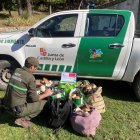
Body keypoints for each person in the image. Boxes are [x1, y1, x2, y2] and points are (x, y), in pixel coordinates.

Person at [3, 57, 53, 128]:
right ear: (32, 67)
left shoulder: (17, 70)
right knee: (44, 103)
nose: (35, 69)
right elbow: (34, 99)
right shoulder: (30, 77)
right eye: (35, 68)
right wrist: (46, 94)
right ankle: (22, 119)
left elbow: (22, 81)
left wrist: (37, 83)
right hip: (17, 110)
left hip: (6, 105)